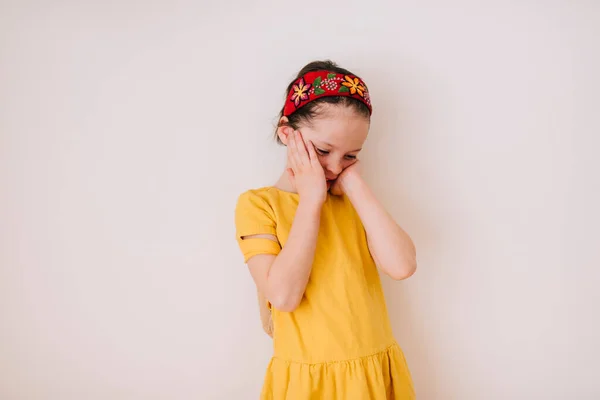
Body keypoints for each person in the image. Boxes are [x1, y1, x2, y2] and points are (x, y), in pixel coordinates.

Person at [234, 60, 417, 399]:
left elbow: (402, 266)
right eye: (322, 151)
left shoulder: (353, 202)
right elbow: (284, 296)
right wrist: (311, 200)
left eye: (350, 155)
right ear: (287, 132)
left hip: (372, 377)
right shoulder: (258, 205)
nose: (334, 166)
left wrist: (354, 182)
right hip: (310, 385)